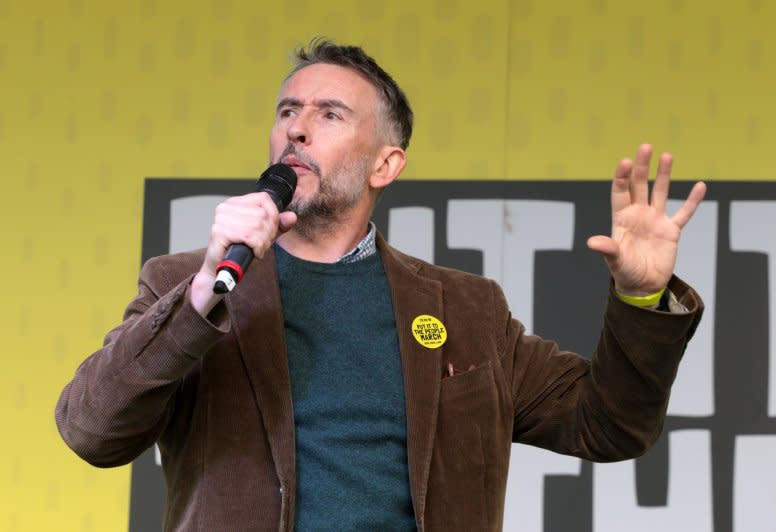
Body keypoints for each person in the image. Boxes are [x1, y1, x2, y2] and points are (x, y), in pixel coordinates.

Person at [56, 38, 706, 531]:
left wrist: (642, 299)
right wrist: (203, 294)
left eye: (330, 114)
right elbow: (92, 432)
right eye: (288, 111)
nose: (297, 128)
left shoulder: (467, 310)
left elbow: (609, 427)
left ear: (386, 164)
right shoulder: (184, 283)